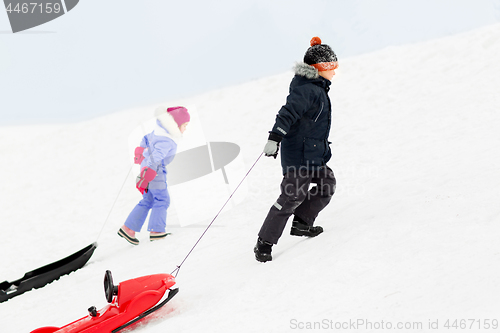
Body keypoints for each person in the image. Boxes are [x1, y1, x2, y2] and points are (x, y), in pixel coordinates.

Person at [254, 37, 338, 262]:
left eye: (335, 66)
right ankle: (265, 241)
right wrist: (274, 138)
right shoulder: (307, 90)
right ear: (319, 69)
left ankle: (302, 222)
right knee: (292, 195)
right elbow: (287, 113)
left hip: (314, 154)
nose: (334, 71)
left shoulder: (319, 89)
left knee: (326, 184)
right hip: (298, 155)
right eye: (330, 67)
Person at [118, 106, 190, 245]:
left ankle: (128, 228)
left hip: (147, 167)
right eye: (185, 125)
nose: (185, 129)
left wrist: (140, 153)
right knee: (162, 199)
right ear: (176, 125)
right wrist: (149, 172)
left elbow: (146, 138)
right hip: (155, 170)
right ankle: (157, 231)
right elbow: (156, 156)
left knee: (149, 199)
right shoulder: (167, 140)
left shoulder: (159, 132)